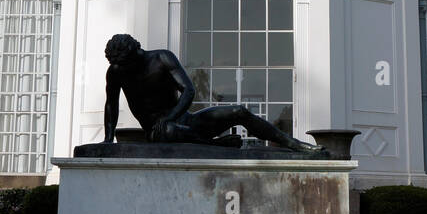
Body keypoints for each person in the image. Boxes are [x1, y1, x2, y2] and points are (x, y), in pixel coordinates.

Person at [102, 33, 318, 152]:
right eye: (119, 65)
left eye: (126, 64)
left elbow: (189, 90)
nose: (123, 69)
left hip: (187, 123)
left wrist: (170, 117)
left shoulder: (161, 59)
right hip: (160, 133)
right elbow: (111, 105)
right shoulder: (117, 71)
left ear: (136, 53)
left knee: (239, 112)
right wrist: (108, 138)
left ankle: (293, 143)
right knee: (167, 131)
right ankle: (214, 145)